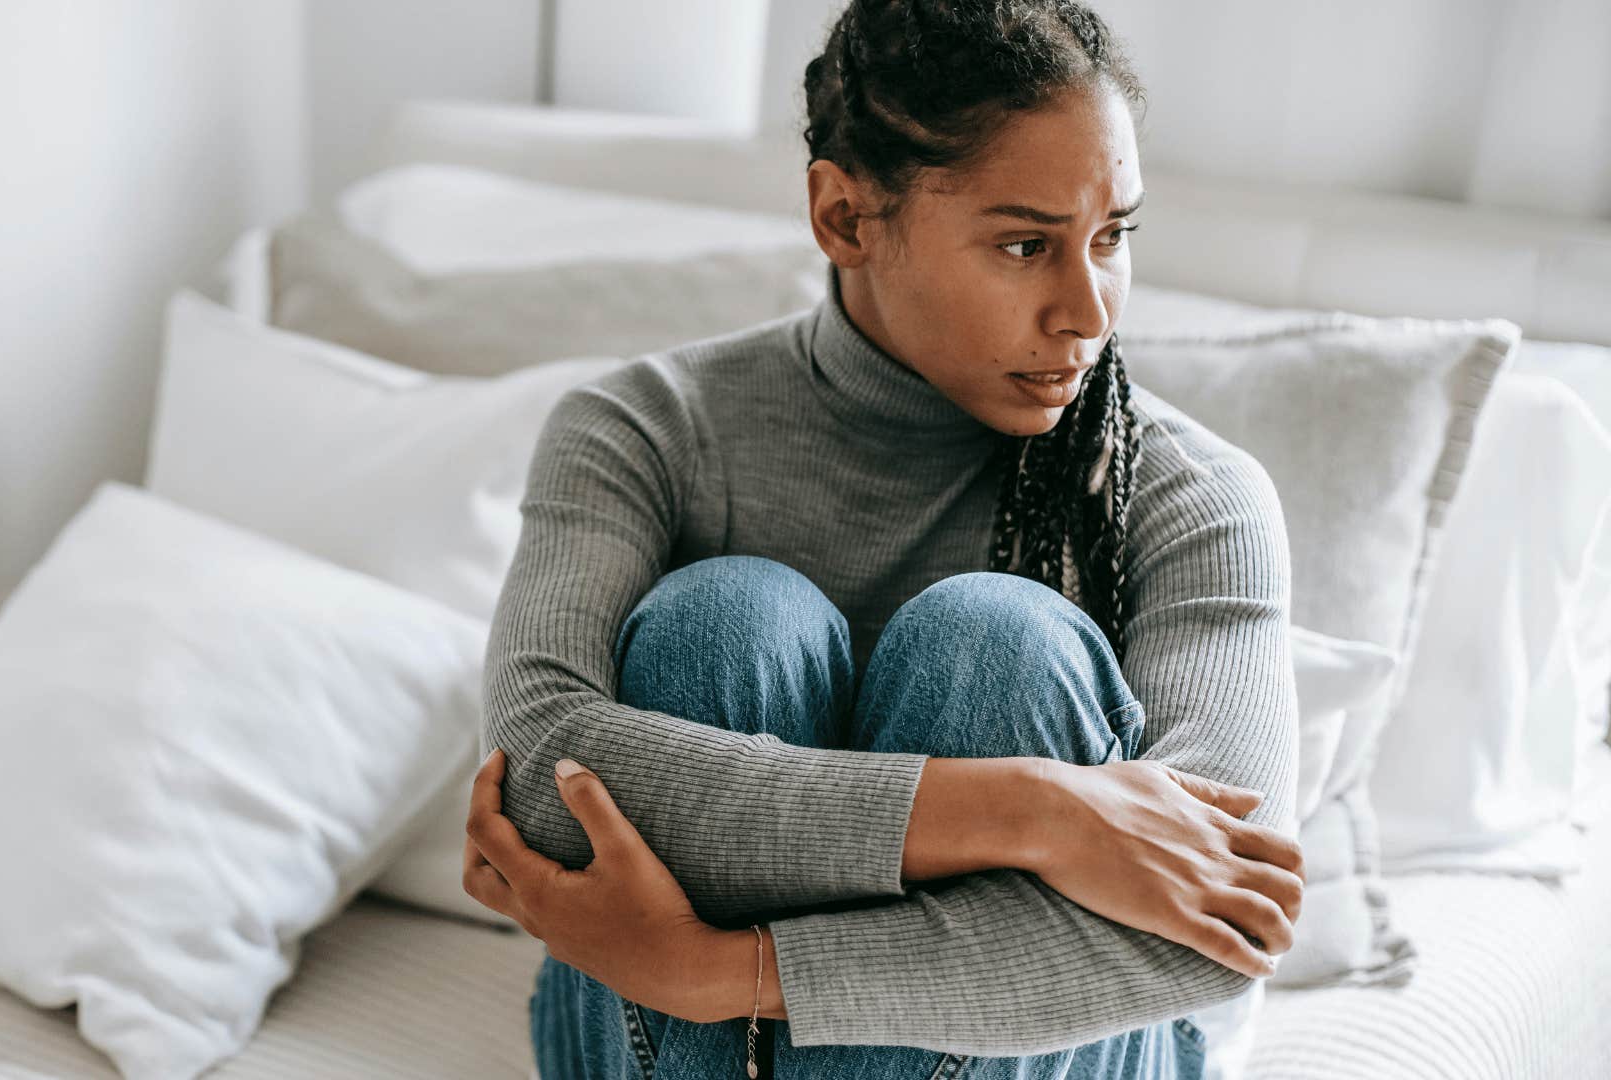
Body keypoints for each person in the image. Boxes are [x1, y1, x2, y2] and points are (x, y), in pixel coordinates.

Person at [460, 1, 1305, 1077]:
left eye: (1113, 236)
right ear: (845, 217)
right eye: (1023, 243)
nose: (1089, 310)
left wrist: (722, 972)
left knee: (1001, 642)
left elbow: (1227, 920)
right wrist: (1039, 811)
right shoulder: (646, 430)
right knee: (726, 621)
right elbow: (539, 770)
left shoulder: (1192, 496)